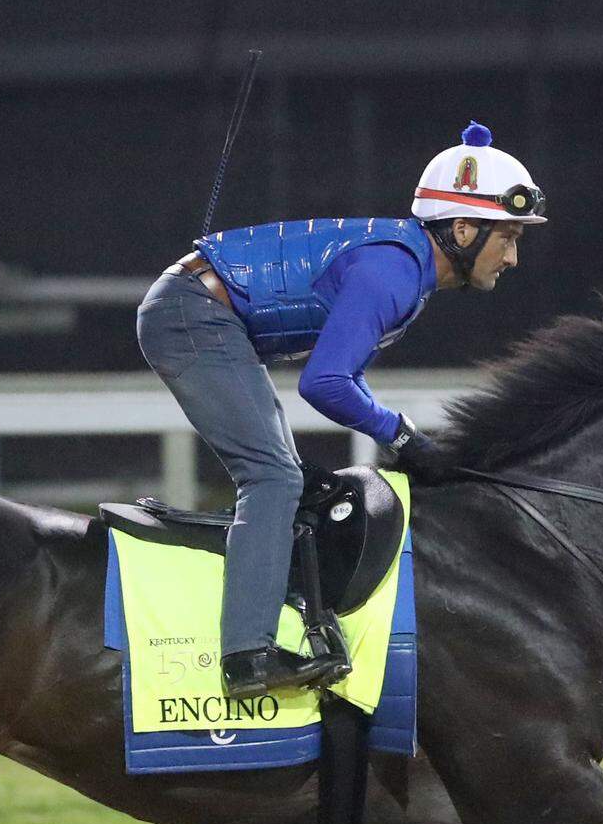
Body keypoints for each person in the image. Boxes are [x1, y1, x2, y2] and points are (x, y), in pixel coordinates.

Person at [136, 121, 546, 700]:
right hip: (192, 313)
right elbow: (325, 383)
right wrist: (403, 437)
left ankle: (293, 619)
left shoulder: (405, 266)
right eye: (508, 237)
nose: (513, 256)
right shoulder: (394, 274)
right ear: (463, 229)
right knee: (273, 478)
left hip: (200, 310)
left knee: (291, 478)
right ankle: (246, 657)